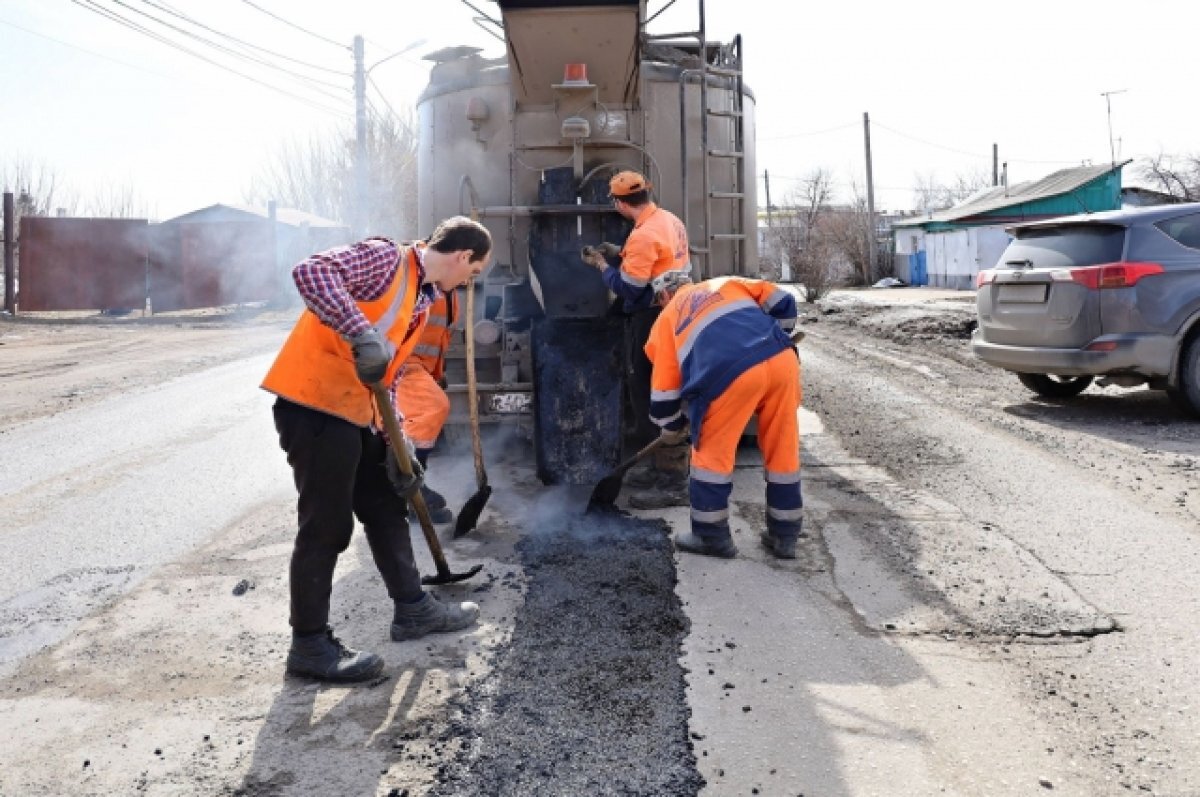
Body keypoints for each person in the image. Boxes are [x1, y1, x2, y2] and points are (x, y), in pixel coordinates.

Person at [261, 216, 491, 683]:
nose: (468, 282)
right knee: (326, 525)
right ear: (464, 256)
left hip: (355, 412)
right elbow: (310, 271)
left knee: (387, 504)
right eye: (473, 272)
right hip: (314, 405)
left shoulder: (421, 301)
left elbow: (384, 380)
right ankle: (308, 645)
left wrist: (398, 444)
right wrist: (359, 333)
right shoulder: (389, 259)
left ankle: (413, 610)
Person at [643, 272, 803, 559]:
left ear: (664, 295)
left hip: (729, 375)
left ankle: (711, 536)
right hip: (782, 361)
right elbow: (784, 300)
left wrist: (671, 426)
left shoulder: (667, 318)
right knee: (783, 450)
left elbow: (664, 392)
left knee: (711, 456)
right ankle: (785, 536)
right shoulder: (727, 283)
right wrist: (779, 333)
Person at [580, 170, 692, 507]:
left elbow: (628, 288)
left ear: (618, 202)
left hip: (655, 317)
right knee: (663, 388)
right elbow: (660, 259)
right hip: (677, 311)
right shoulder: (667, 220)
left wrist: (601, 265)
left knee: (651, 391)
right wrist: (621, 252)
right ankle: (662, 467)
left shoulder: (644, 235)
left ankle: (673, 480)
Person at [395, 283, 459, 525]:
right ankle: (409, 490)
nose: (476, 275)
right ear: (462, 256)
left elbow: (436, 336)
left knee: (401, 424)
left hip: (419, 365)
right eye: (475, 267)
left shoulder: (449, 288)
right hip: (401, 361)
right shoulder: (417, 275)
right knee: (431, 408)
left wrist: (435, 373)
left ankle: (410, 488)